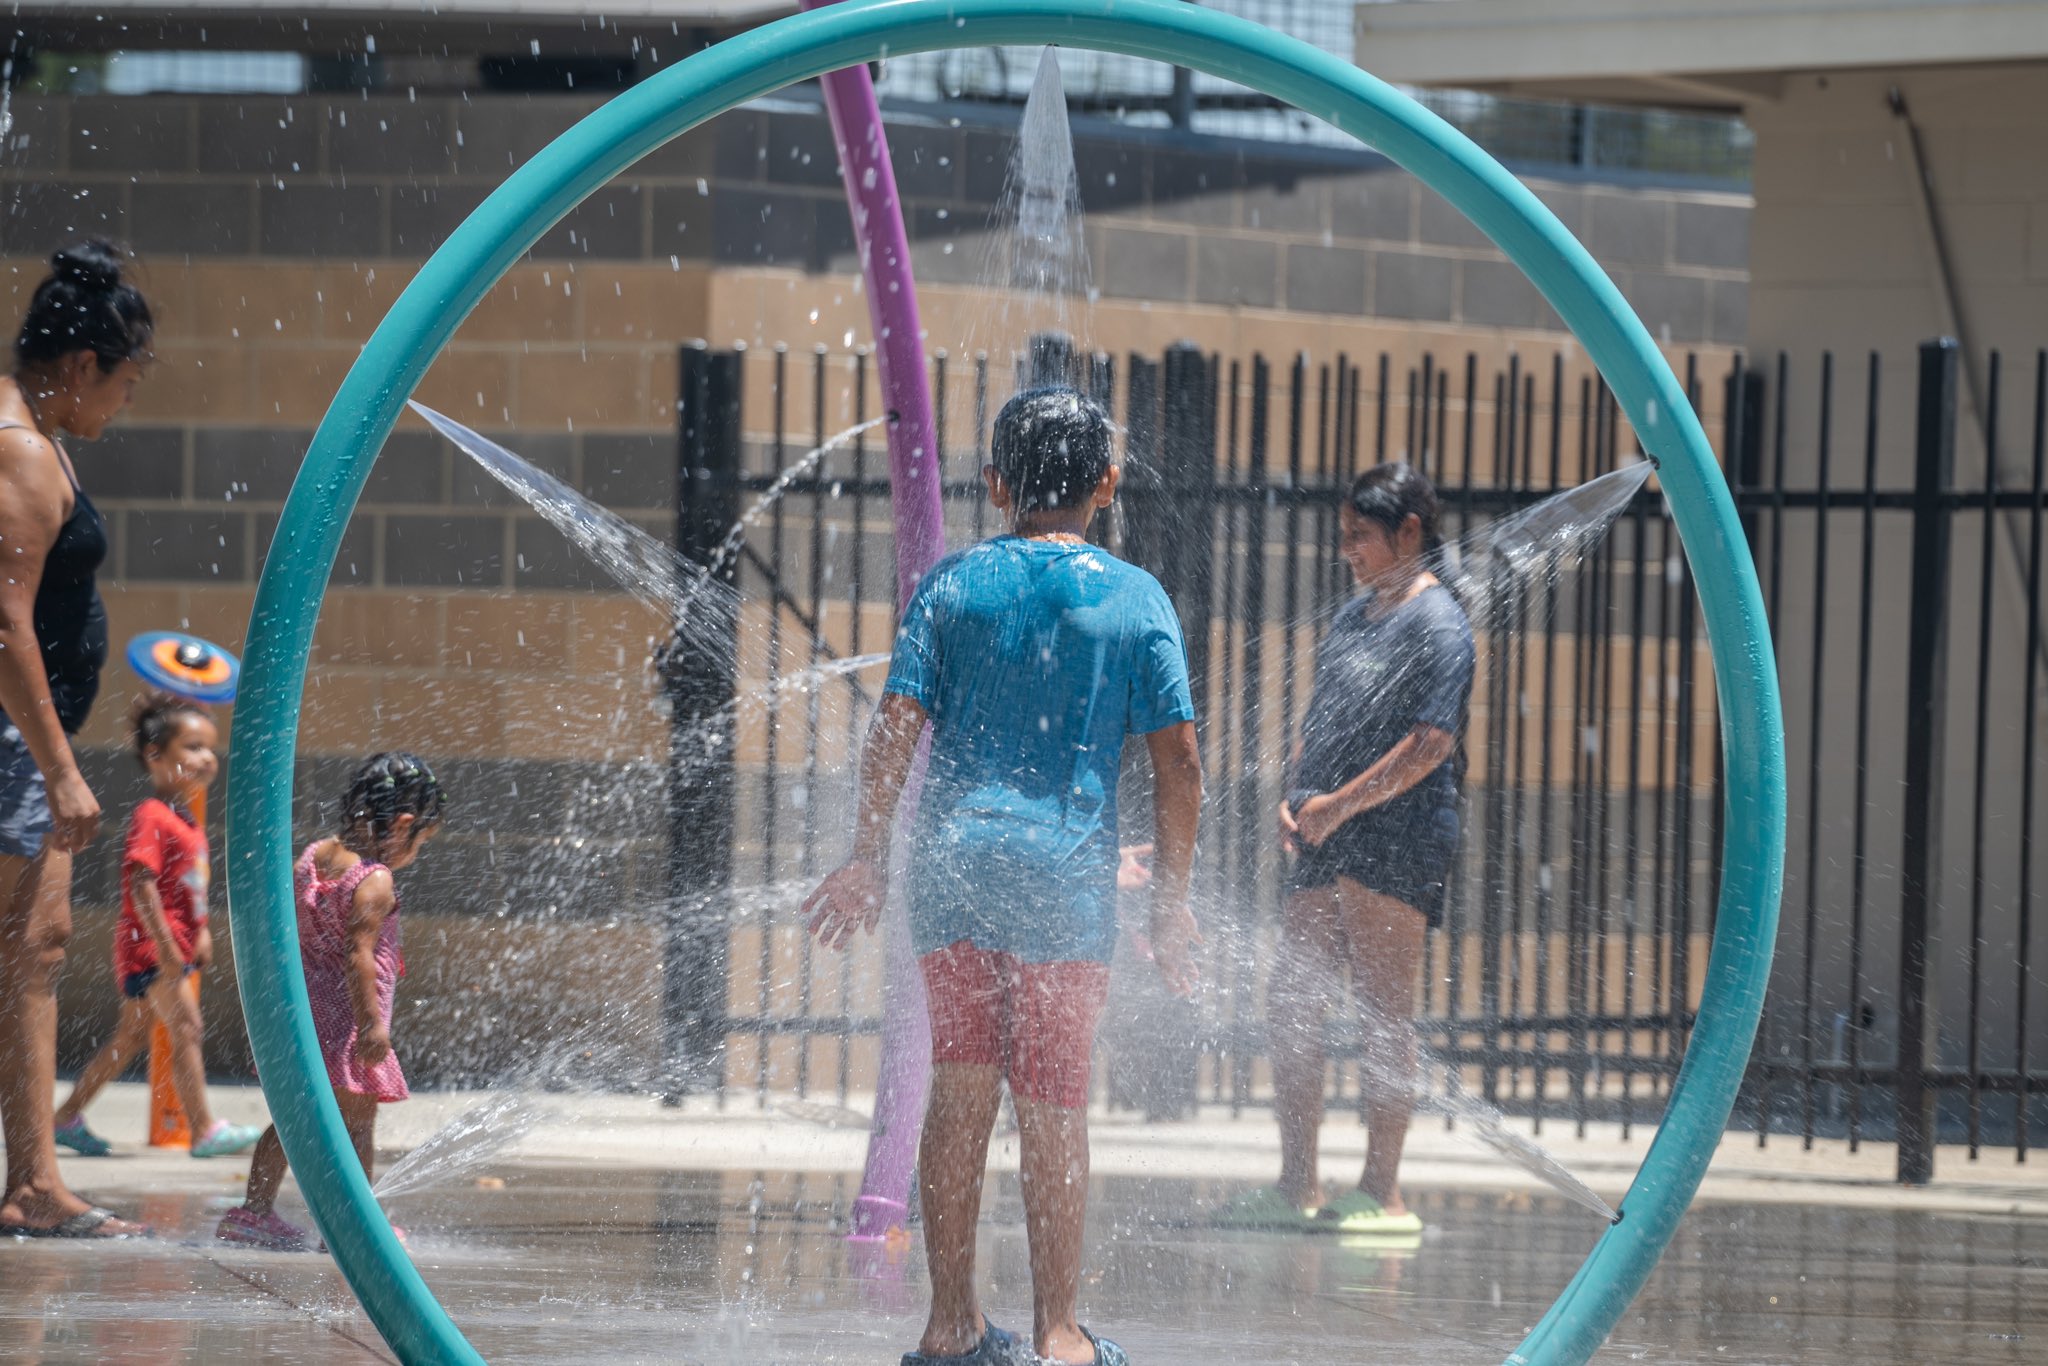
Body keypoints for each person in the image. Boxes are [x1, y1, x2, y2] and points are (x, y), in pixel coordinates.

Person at [804, 386, 1203, 1366]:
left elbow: (894, 726)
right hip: (1064, 887)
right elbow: (1179, 763)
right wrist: (1174, 903)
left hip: (953, 877)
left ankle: (948, 1326)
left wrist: (865, 856)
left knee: (963, 1084)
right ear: (1106, 484)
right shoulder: (1133, 597)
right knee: (1054, 1099)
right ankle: (1059, 1333)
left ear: (993, 485)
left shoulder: (950, 588)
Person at [1215, 462, 1473, 1236]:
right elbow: (1321, 715)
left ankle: (1382, 1193)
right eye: (1344, 537)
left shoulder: (1439, 623)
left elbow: (1431, 744)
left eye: (1360, 537)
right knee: (1291, 1004)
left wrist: (1341, 805)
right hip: (1324, 832)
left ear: (1409, 533)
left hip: (1396, 837)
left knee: (1381, 1014)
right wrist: (1297, 798)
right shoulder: (1356, 617)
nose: (1348, 551)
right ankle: (1298, 1184)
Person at [0, 240, 153, 1238]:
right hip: (14, 737)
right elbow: (4, 621)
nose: (123, 406)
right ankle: (35, 1180)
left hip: (21, 737)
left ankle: (33, 1178)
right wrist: (61, 771)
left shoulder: (37, 434)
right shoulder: (16, 446)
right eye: (126, 384)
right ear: (83, 365)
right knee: (31, 949)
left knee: (35, 948)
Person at [217, 753, 445, 1251]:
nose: (416, 853)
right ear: (404, 824)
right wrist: (370, 1026)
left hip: (302, 1013)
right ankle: (355, 1225)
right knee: (358, 1124)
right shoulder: (375, 879)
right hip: (346, 1021)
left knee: (295, 1118)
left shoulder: (314, 855)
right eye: (420, 842)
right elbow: (358, 952)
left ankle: (252, 1214)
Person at [53, 694, 264, 1158]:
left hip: (169, 945)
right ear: (155, 755)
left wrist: (202, 930)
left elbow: (189, 886)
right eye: (192, 747)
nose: (206, 758)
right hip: (151, 948)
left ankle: (65, 1117)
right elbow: (140, 884)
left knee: (129, 1038)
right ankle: (204, 1129)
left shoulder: (184, 819)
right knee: (186, 1026)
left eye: (209, 748)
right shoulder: (153, 816)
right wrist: (167, 948)